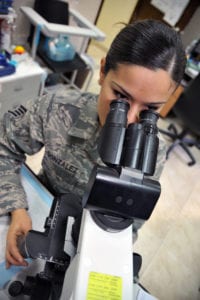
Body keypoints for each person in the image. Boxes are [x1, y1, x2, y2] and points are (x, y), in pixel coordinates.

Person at [0, 19, 186, 269]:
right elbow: (4, 145)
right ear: (101, 73)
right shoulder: (58, 110)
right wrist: (17, 207)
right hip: (41, 213)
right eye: (120, 97)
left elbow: (129, 223)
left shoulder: (154, 152)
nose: (130, 120)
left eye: (150, 109)